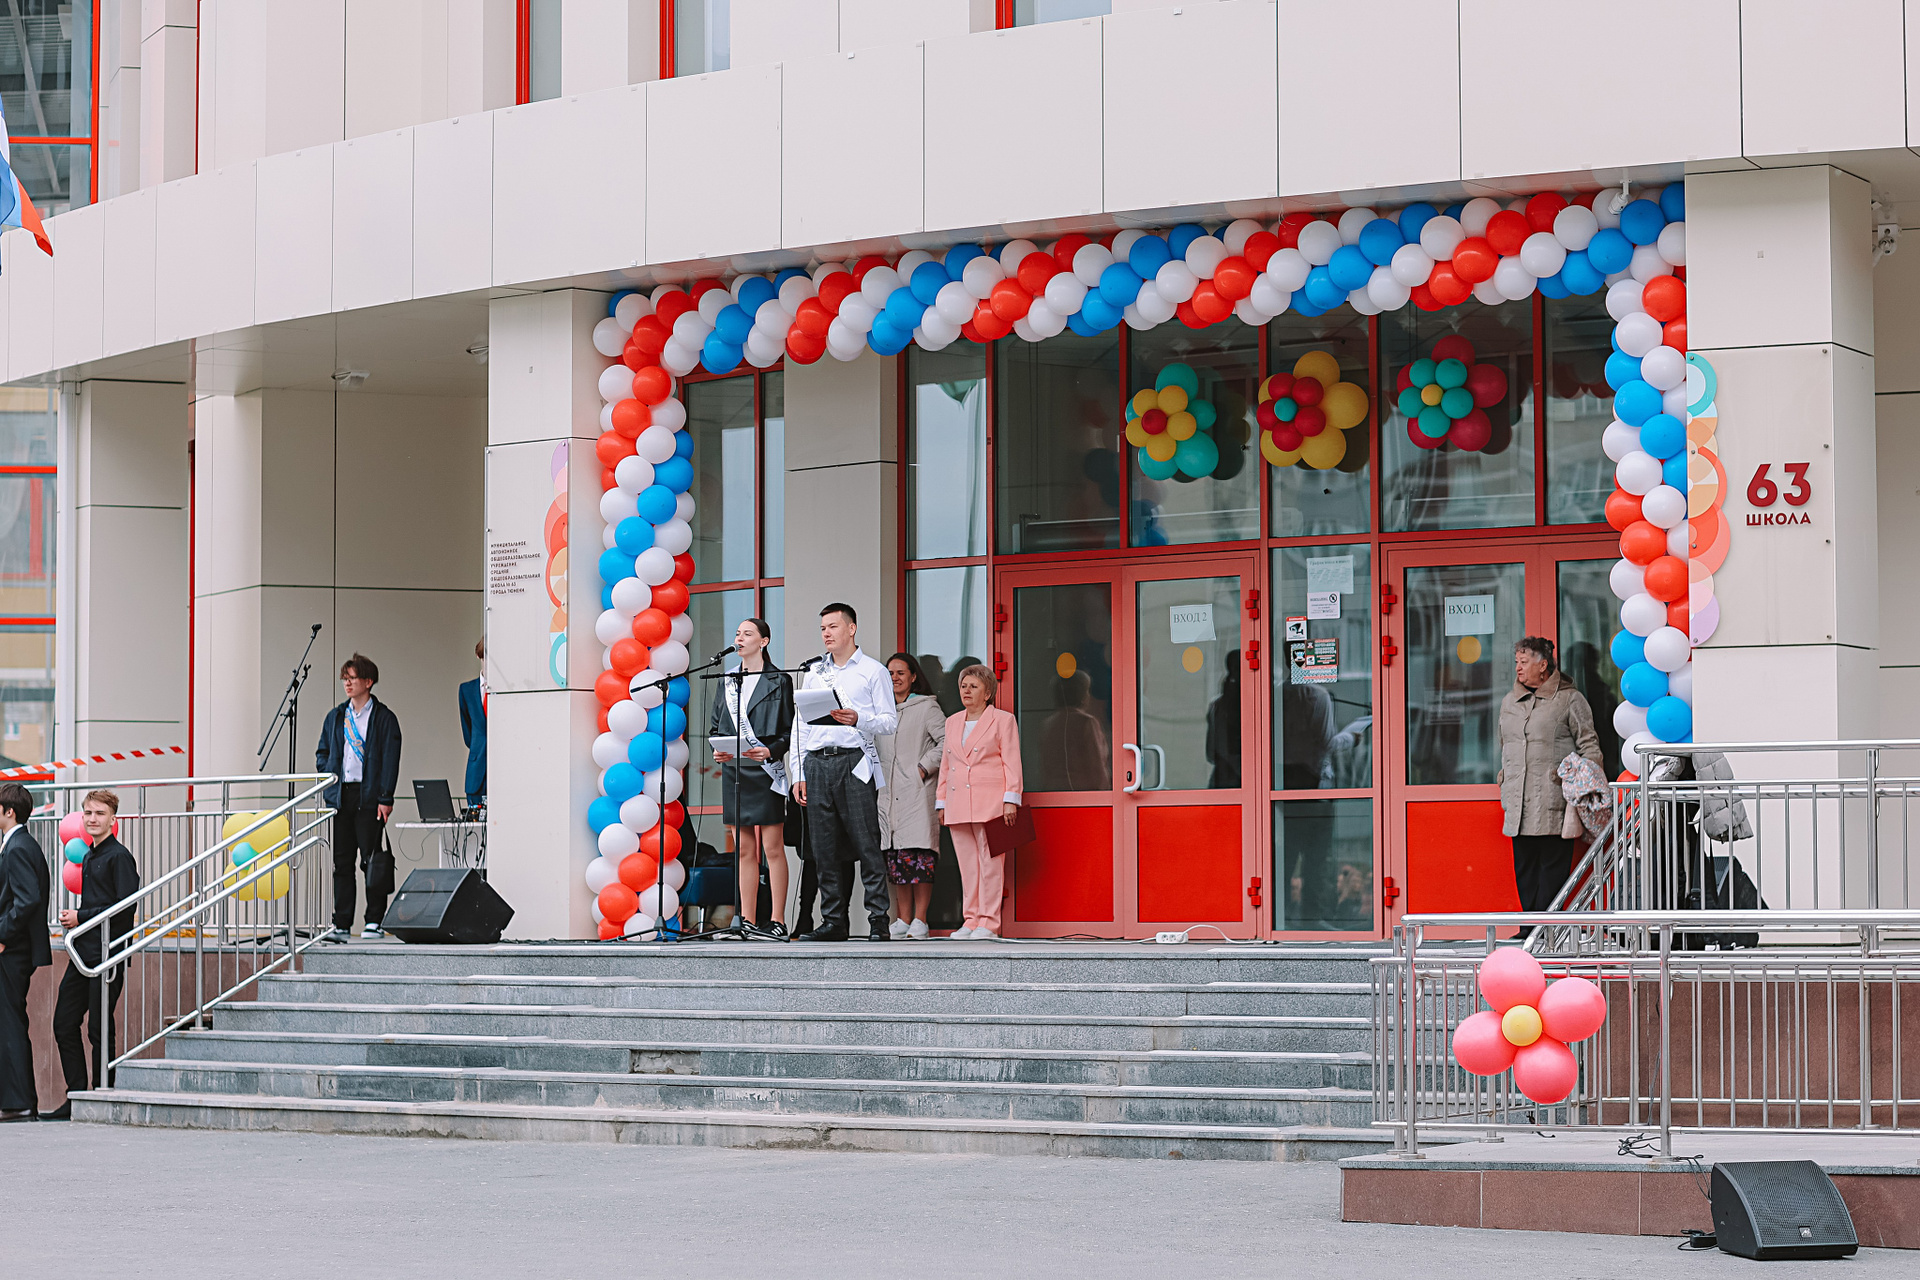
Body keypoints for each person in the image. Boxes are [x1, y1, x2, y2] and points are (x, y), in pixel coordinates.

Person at [791, 603, 898, 942]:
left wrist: (858, 719)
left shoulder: (872, 671)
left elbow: (889, 721)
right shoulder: (814, 673)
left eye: (833, 626)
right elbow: (800, 727)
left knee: (866, 842)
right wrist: (798, 773)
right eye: (823, 628)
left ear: (851, 629)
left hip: (854, 761)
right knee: (824, 849)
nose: (826, 633)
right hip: (817, 764)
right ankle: (833, 921)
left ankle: (878, 919)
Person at [1499, 637, 1603, 921]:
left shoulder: (1570, 699)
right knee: (1524, 869)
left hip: (1554, 800)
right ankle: (1528, 928)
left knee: (1552, 871)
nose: (1518, 668)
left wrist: (1586, 786)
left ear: (1543, 665)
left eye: (1524, 662)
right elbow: (1505, 748)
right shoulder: (1509, 702)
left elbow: (1589, 746)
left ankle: (1545, 929)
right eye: (1517, 662)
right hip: (1518, 803)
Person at [50, 789, 139, 1114]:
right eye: (88, 813)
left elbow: (125, 908)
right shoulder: (89, 855)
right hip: (83, 954)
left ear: (113, 819)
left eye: (100, 813)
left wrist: (81, 917)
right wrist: (77, 921)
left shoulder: (119, 857)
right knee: (64, 1022)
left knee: (99, 1029)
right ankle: (76, 1096)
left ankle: (103, 1092)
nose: (92, 819)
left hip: (108, 956)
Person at [710, 617, 794, 938]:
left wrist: (771, 750)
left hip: (765, 770)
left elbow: (790, 730)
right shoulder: (728, 680)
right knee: (744, 849)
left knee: (772, 847)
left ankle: (777, 920)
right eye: (737, 634)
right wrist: (718, 750)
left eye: (747, 634)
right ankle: (746, 919)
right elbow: (716, 726)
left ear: (764, 641)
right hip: (735, 770)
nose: (740, 638)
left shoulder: (779, 680)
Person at [316, 653, 402, 939]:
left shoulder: (384, 718)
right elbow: (323, 752)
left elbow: (390, 760)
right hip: (341, 796)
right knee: (342, 863)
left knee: (371, 861)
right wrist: (328, 780)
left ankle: (374, 920)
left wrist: (386, 797)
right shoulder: (336, 716)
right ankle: (341, 922)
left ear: (368, 681)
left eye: (352, 678)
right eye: (345, 678)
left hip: (370, 797)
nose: (347, 683)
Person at [936, 665, 1023, 941]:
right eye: (963, 686)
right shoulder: (952, 722)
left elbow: (1012, 762)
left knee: (991, 863)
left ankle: (989, 921)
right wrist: (941, 801)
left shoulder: (1003, 720)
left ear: (988, 693)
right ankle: (971, 919)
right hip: (958, 800)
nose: (967, 691)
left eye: (973, 686)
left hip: (991, 801)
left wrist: (1011, 799)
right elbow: (946, 764)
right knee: (968, 865)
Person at [877, 653, 944, 940]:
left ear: (913, 676)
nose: (895, 678)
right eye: (890, 673)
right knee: (896, 859)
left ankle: (921, 919)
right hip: (888, 794)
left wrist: (923, 767)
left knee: (919, 857)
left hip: (917, 792)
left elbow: (947, 741)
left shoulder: (927, 707)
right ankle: (903, 919)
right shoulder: (882, 711)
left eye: (901, 673)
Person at [0, 781, 50, 1121]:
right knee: (9, 1021)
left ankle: (19, 1102)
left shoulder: (17, 847)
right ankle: (16, 1101)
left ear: (9, 811)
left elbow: (27, 899)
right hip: (16, 948)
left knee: (9, 1024)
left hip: (13, 950)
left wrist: (3, 934)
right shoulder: (20, 844)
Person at [459, 638, 487, 808]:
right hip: (477, 772)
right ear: (479, 656)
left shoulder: (508, 691)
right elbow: (468, 732)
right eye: (486, 657)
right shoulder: (467, 690)